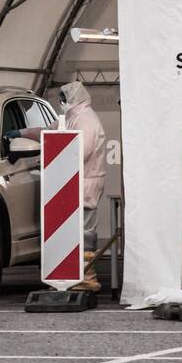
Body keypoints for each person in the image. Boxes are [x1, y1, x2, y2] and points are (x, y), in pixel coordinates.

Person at [59, 81, 107, 292]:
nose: (60, 104)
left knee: (85, 231)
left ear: (71, 99)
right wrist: (23, 133)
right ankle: (75, 274)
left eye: (62, 100)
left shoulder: (85, 119)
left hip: (86, 183)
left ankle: (87, 277)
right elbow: (50, 131)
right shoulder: (74, 117)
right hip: (78, 183)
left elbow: (81, 150)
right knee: (76, 231)